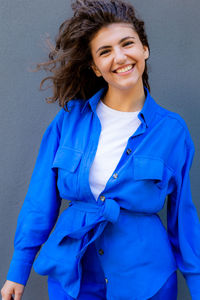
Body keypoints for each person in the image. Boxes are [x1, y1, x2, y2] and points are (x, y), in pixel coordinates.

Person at [1, 0, 200, 299]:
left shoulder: (173, 131)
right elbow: (39, 200)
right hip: (73, 277)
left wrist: (196, 284)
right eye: (105, 51)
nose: (119, 57)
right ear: (95, 67)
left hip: (146, 281)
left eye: (127, 43)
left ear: (144, 49)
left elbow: (183, 218)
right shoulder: (69, 120)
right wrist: (18, 269)